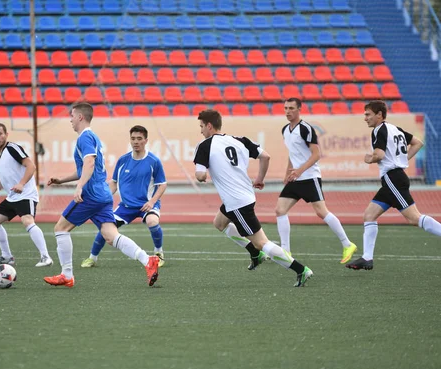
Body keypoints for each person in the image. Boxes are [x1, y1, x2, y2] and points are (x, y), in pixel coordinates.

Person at [43, 102, 160, 288]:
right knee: (110, 236)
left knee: (60, 228)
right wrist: (62, 180)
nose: (70, 119)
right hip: (103, 194)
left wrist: (79, 187)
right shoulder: (93, 137)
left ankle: (67, 275)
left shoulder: (84, 138)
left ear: (80, 117)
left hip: (90, 194)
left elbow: (89, 163)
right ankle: (148, 260)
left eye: (72, 116)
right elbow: (87, 167)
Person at [193, 109, 313, 287]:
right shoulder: (239, 140)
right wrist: (259, 179)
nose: (201, 131)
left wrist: (202, 177)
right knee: (219, 223)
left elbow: (200, 174)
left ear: (209, 126)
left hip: (236, 202)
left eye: (202, 126)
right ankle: (255, 254)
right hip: (245, 195)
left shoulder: (204, 146)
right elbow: (265, 156)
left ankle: (301, 270)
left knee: (261, 242)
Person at [346, 100, 441, 270]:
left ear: (379, 115)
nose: (365, 118)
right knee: (369, 215)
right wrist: (401, 160)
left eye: (368, 114)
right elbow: (418, 142)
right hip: (394, 178)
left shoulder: (378, 130)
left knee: (414, 218)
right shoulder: (394, 128)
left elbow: (379, 154)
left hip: (392, 179)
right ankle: (367, 258)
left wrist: (370, 158)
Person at [275, 98, 357, 263]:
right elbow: (293, 154)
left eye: (291, 108)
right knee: (280, 210)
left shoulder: (306, 129)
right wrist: (288, 174)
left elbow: (316, 154)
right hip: (296, 178)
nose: (287, 111)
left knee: (321, 211)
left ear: (299, 109)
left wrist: (299, 171)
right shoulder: (285, 129)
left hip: (310, 177)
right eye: (285, 108)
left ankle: (347, 244)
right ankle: (286, 251)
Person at [81, 125, 167, 269]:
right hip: (126, 206)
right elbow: (114, 183)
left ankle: (158, 253)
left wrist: (152, 202)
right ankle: (92, 258)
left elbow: (162, 185)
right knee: (106, 227)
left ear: (146, 140)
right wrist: (100, 198)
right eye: (133, 139)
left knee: (152, 221)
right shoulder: (123, 161)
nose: (136, 142)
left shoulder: (154, 161)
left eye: (139, 139)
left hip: (147, 205)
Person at [0, 123, 53, 268]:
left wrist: (21, 184)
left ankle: (46, 257)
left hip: (26, 194)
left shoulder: (12, 148)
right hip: (12, 197)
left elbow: (31, 166)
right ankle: (7, 257)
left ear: (7, 135)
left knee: (27, 221)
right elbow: (0, 180)